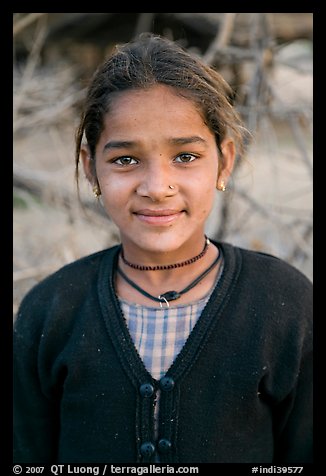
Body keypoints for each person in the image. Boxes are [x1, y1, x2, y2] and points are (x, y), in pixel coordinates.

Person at [13, 32, 312, 464]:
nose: (157, 188)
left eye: (185, 157)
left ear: (224, 161)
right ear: (90, 168)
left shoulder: (286, 305)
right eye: (125, 160)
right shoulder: (51, 312)